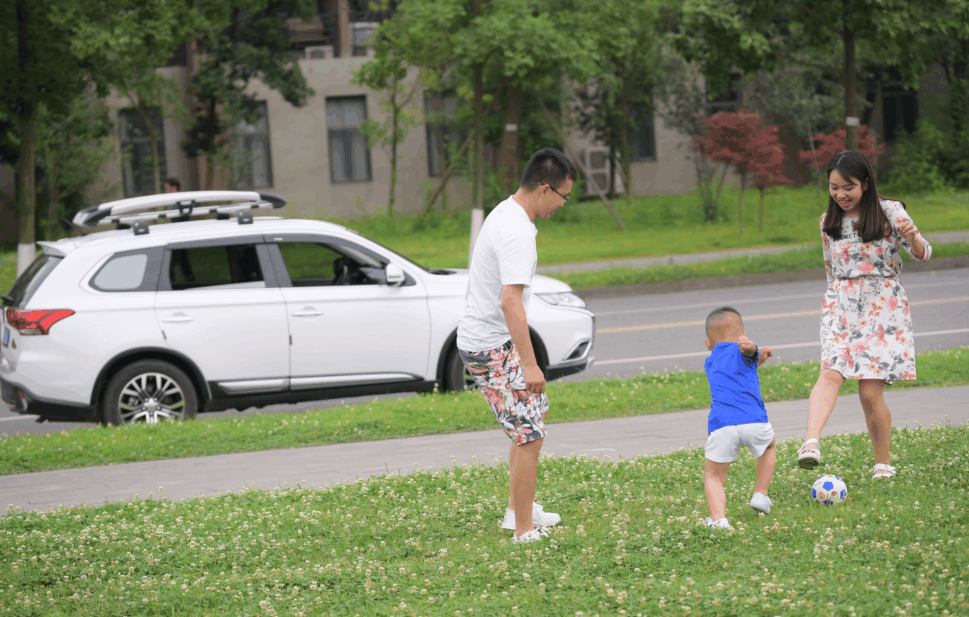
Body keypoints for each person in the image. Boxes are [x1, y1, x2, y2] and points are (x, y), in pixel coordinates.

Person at [457, 147, 576, 544]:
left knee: (533, 414)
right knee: (530, 433)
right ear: (546, 189)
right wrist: (530, 364)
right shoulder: (518, 233)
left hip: (490, 340)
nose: (563, 205)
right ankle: (523, 528)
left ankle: (518, 508)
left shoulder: (506, 210)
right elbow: (510, 301)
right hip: (489, 346)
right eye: (564, 196)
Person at [797, 150, 932, 479]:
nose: (840, 195)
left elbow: (923, 254)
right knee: (830, 370)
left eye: (849, 187)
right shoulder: (827, 222)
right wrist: (834, 303)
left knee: (870, 392)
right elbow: (831, 269)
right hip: (841, 303)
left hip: (882, 307)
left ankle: (882, 463)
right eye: (833, 188)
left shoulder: (889, 211)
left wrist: (912, 236)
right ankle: (811, 442)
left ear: (866, 184)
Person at [702, 307, 776, 530]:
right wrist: (755, 351)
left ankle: (719, 520)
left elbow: (739, 368)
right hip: (755, 422)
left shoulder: (710, 361)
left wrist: (756, 358)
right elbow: (747, 356)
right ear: (742, 333)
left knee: (714, 476)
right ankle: (761, 494)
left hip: (722, 427)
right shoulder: (745, 351)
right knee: (769, 447)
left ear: (708, 344)